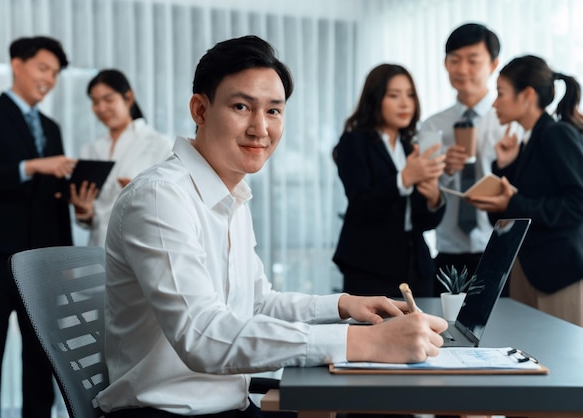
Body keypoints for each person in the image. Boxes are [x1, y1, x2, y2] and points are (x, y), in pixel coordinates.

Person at [96, 35, 448, 417]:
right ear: (200, 109)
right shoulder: (160, 198)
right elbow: (201, 336)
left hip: (229, 404)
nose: (259, 128)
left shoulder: (232, 194)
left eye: (274, 111)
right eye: (242, 106)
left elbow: (258, 302)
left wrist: (345, 306)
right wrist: (364, 343)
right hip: (166, 412)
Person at [0, 36, 75, 417]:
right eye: (43, 68)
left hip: (41, 263)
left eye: (55, 74)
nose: (49, 80)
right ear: (17, 64)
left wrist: (66, 257)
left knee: (42, 362)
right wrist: (32, 166)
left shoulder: (52, 127)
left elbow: (55, 200)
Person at [468, 55, 583, 327]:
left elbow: (578, 204)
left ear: (527, 95)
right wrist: (506, 167)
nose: (495, 102)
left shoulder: (556, 134)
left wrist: (513, 201)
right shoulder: (528, 142)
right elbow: (511, 211)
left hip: (559, 276)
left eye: (501, 93)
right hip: (528, 272)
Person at [420, 23, 521, 295]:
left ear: (494, 64)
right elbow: (424, 195)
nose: (462, 69)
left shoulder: (511, 123)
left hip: (500, 248)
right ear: (445, 64)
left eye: (473, 60)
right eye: (455, 60)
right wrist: (446, 170)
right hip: (447, 252)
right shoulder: (431, 126)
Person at [332, 64, 446, 298]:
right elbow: (360, 204)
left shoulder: (410, 147)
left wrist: (434, 198)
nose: (405, 103)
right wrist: (403, 179)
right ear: (375, 99)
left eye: (410, 95)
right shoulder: (354, 142)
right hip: (370, 267)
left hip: (416, 267)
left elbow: (424, 223)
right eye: (394, 95)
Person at [70, 69, 173, 247]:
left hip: (139, 248)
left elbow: (173, 204)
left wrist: (144, 195)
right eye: (95, 102)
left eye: (108, 99)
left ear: (128, 97)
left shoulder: (160, 145)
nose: (101, 108)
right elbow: (93, 219)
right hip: (97, 251)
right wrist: (84, 212)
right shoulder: (91, 149)